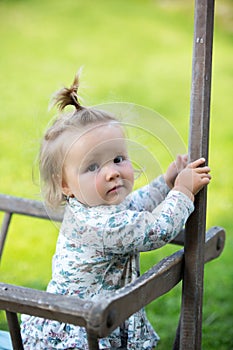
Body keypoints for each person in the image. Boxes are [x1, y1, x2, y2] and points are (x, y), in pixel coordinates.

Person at [20, 72, 211, 349]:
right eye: (92, 166)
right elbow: (154, 230)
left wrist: (166, 183)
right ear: (65, 185)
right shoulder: (99, 225)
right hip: (78, 333)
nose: (111, 172)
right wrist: (182, 192)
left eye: (118, 159)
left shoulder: (96, 207)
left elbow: (134, 205)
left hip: (94, 318)